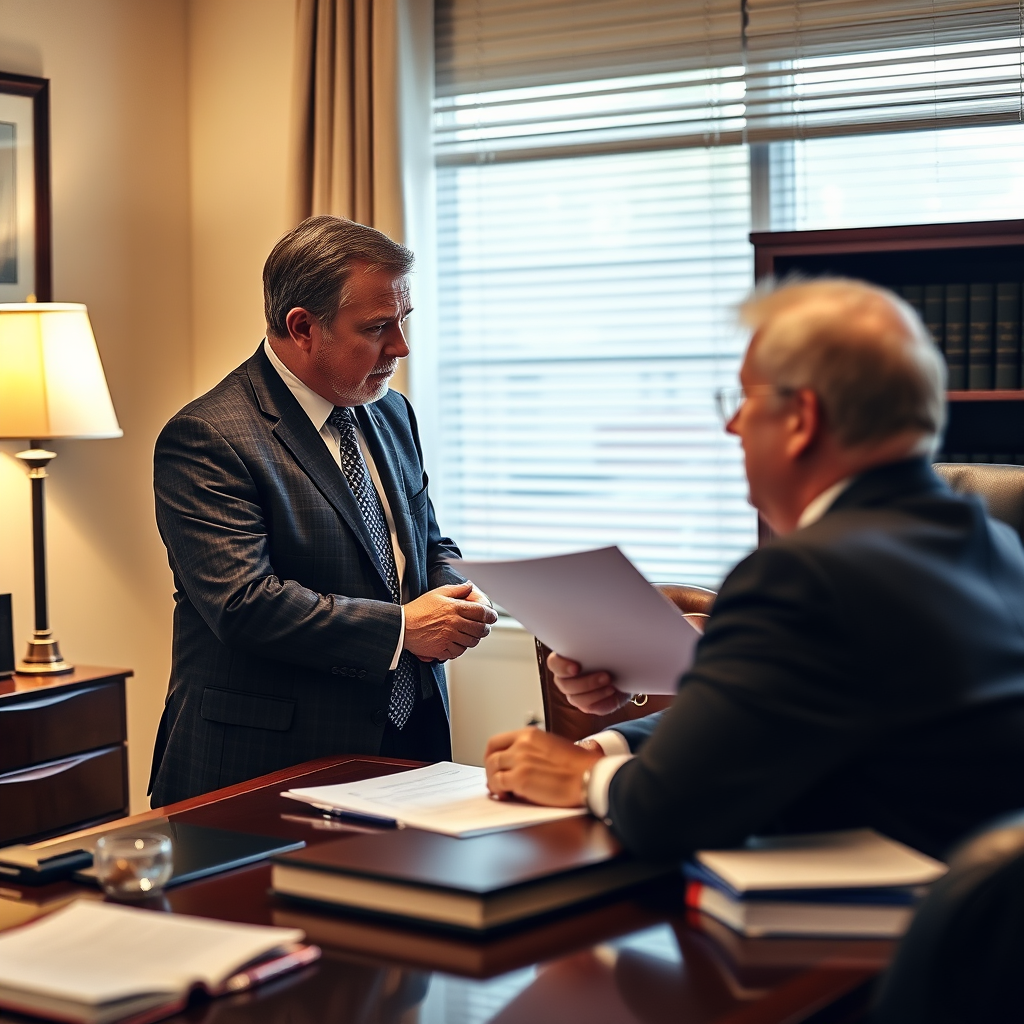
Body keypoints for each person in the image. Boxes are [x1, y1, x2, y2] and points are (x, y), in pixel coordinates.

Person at [485, 278, 1024, 860]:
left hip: (867, 908)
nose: (733, 425)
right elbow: (782, 722)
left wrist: (584, 778)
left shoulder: (805, 574)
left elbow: (670, 812)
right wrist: (610, 746)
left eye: (745, 399)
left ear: (800, 418)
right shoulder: (994, 545)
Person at [149, 216, 496, 806]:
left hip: (409, 738)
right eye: (378, 327)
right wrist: (404, 629)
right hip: (269, 760)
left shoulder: (390, 412)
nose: (401, 347)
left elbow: (425, 542)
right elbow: (243, 604)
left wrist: (455, 594)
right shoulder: (208, 436)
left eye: (404, 320)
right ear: (303, 328)